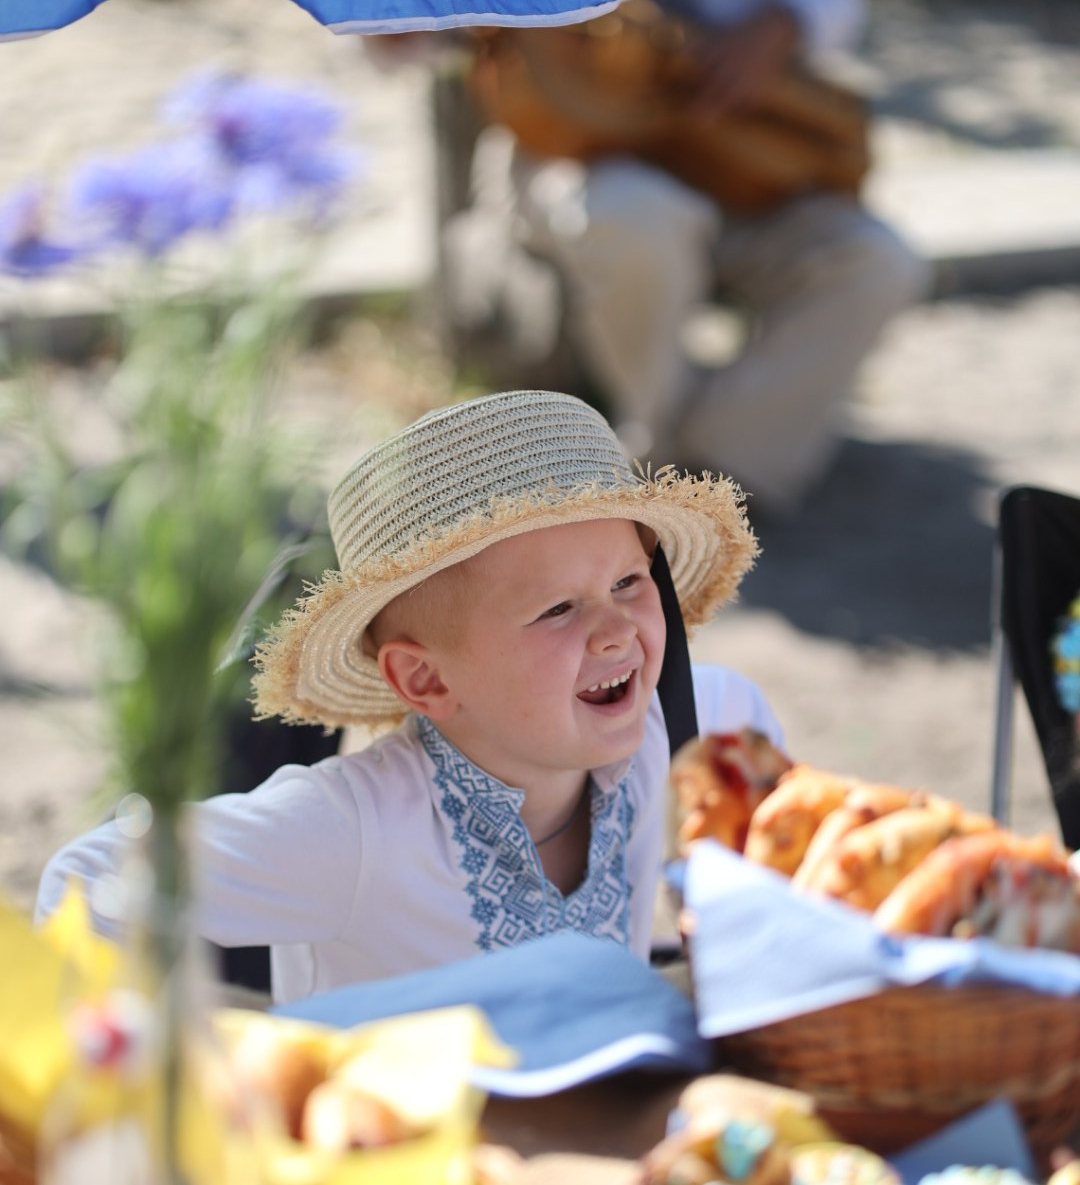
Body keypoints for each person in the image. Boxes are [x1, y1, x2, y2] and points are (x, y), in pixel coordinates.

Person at [36, 390, 783, 1003]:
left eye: (628, 583)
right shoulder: (356, 831)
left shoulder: (688, 727)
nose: (616, 632)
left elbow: (746, 737)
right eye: (558, 609)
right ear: (425, 679)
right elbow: (90, 880)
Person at [466, 0, 928, 515]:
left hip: (733, 158)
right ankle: (658, 455)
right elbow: (396, 40)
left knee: (877, 259)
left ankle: (726, 469)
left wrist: (780, 27)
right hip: (576, 160)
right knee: (637, 217)